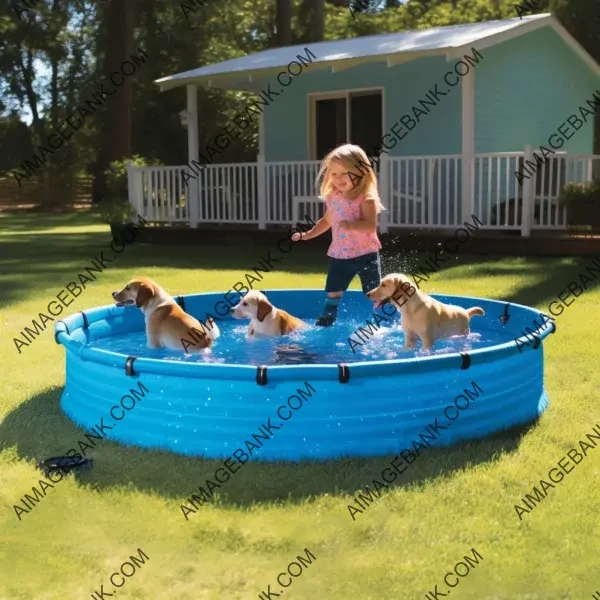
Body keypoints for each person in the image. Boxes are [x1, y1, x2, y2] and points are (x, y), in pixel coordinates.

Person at [291, 143, 386, 327]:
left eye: (344, 173)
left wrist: (351, 225)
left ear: (360, 172)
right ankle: (327, 318)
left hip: (366, 254)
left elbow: (370, 226)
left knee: (373, 292)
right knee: (334, 290)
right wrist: (307, 234)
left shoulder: (366, 198)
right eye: (334, 174)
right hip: (341, 254)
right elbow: (327, 221)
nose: (338, 178)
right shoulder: (333, 197)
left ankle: (380, 321)